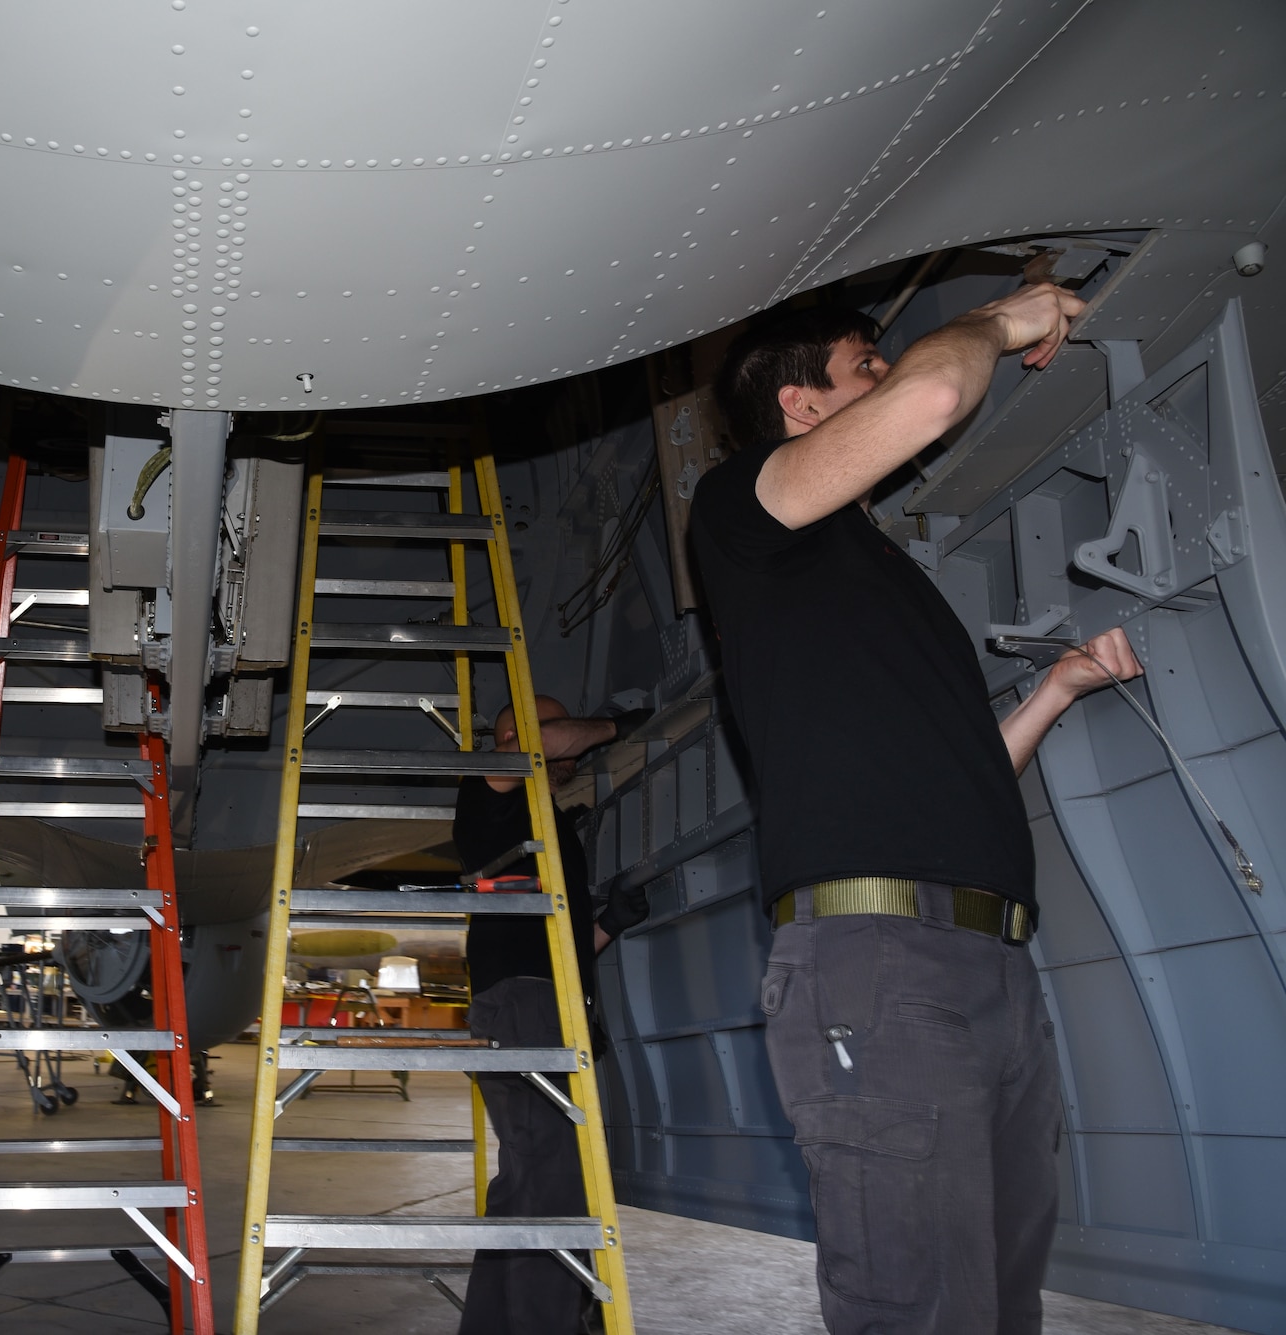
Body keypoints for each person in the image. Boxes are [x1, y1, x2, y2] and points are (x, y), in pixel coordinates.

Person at [688, 285, 1142, 1334]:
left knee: (994, 1303)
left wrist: (1054, 692)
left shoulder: (868, 578)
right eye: (864, 365)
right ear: (802, 407)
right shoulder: (735, 513)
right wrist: (991, 321)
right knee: (916, 1310)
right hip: (879, 965)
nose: (888, 375)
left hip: (986, 966)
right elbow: (935, 393)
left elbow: (967, 772)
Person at [454, 695, 648, 1335]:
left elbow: (555, 946)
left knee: (528, 1186)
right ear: (516, 736)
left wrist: (611, 926)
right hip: (526, 1007)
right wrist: (620, 726)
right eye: (562, 728)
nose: (578, 749)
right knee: (555, 1188)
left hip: (540, 1001)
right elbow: (539, 744)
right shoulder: (493, 797)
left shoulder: (543, 826)